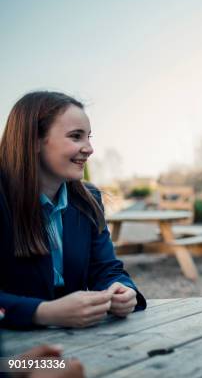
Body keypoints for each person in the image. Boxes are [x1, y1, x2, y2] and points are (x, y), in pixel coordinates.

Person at [0, 91, 146, 329]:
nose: (89, 149)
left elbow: (106, 269)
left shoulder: (88, 200)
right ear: (34, 140)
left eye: (88, 137)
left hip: (80, 348)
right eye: (76, 137)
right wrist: (43, 312)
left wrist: (122, 290)